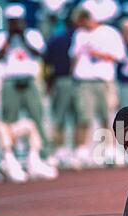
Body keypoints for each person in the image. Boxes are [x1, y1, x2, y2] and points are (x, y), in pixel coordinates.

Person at [68, 8, 126, 165]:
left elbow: (120, 56)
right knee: (83, 116)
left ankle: (110, 150)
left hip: (104, 80)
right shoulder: (79, 34)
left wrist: (99, 54)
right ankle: (81, 152)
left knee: (107, 116)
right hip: (83, 81)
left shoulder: (109, 33)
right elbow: (74, 56)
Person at [0, 3, 49, 157]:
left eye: (18, 21)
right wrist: (10, 37)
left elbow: (39, 53)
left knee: (37, 116)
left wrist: (23, 37)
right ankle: (12, 153)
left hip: (30, 81)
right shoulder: (1, 37)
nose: (16, 25)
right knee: (10, 118)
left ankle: (43, 153)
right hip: (10, 82)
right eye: (12, 22)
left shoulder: (32, 35)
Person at [44, 9, 79, 169]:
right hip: (77, 81)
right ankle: (76, 152)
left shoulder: (54, 39)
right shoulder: (79, 37)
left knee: (59, 118)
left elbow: (47, 64)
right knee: (77, 118)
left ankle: (59, 151)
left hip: (60, 80)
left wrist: (48, 84)